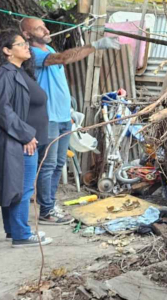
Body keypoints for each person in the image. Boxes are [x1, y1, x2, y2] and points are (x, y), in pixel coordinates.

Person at [20, 18, 120, 225]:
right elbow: (63, 58)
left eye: (45, 26)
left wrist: (70, 109)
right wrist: (95, 45)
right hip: (48, 118)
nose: (47, 29)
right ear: (27, 35)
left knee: (58, 164)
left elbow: (57, 82)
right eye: (39, 28)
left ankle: (50, 203)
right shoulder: (33, 54)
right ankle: (46, 210)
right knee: (47, 165)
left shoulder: (47, 47)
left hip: (63, 116)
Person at [0, 29, 53, 248]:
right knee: (21, 188)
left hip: (22, 139)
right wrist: (26, 134)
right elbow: (2, 109)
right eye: (20, 44)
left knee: (14, 186)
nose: (26, 47)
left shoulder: (18, 71)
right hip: (17, 141)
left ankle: (14, 231)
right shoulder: (4, 73)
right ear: (6, 51)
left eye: (25, 44)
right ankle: (22, 234)